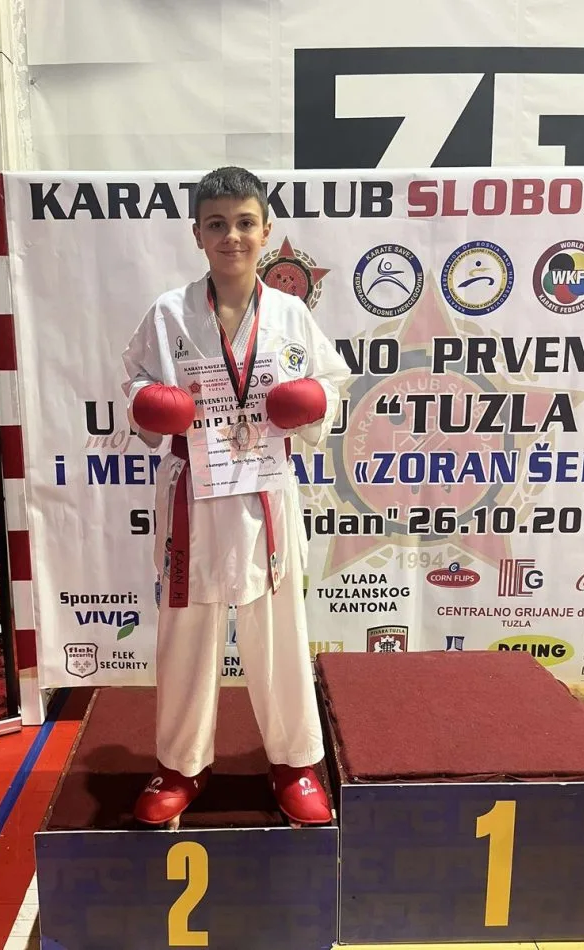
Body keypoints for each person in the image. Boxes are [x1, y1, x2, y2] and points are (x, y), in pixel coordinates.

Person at [121, 166, 350, 826]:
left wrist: (313, 401)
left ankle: (295, 763)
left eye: (245, 223)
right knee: (186, 634)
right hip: (194, 495)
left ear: (266, 231)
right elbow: (133, 380)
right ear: (196, 233)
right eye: (216, 224)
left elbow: (332, 380)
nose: (232, 236)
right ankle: (180, 766)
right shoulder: (168, 313)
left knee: (278, 632)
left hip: (265, 493)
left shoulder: (290, 314)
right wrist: (147, 404)